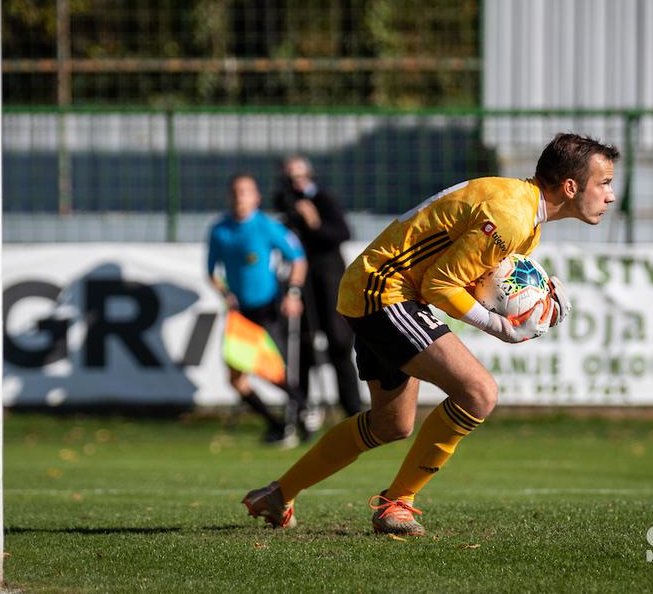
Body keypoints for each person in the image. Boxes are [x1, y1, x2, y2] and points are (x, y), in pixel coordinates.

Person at [243, 133, 619, 533]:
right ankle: (397, 504)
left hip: (377, 289)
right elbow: (440, 286)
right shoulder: (512, 216)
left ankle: (278, 494)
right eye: (605, 183)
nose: (610, 196)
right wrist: (501, 328)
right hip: (384, 291)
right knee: (479, 392)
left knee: (392, 425)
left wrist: (532, 299)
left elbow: (467, 277)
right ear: (571, 186)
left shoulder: (522, 211)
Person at [208, 172, 308, 448]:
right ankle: (276, 425)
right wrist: (224, 292)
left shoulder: (267, 227)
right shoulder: (220, 230)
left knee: (272, 368)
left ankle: (302, 408)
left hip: (267, 308)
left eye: (245, 192)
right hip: (239, 313)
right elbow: (211, 272)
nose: (240, 197)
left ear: (256, 197)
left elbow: (297, 258)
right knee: (236, 378)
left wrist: (293, 292)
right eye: (235, 192)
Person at [273, 156, 362, 429]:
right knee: (302, 345)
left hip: (329, 279)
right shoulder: (284, 202)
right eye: (290, 178)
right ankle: (302, 410)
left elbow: (341, 233)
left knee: (338, 343)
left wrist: (313, 221)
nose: (296, 183)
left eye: (300, 177)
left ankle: (353, 412)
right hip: (302, 280)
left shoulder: (324, 200)